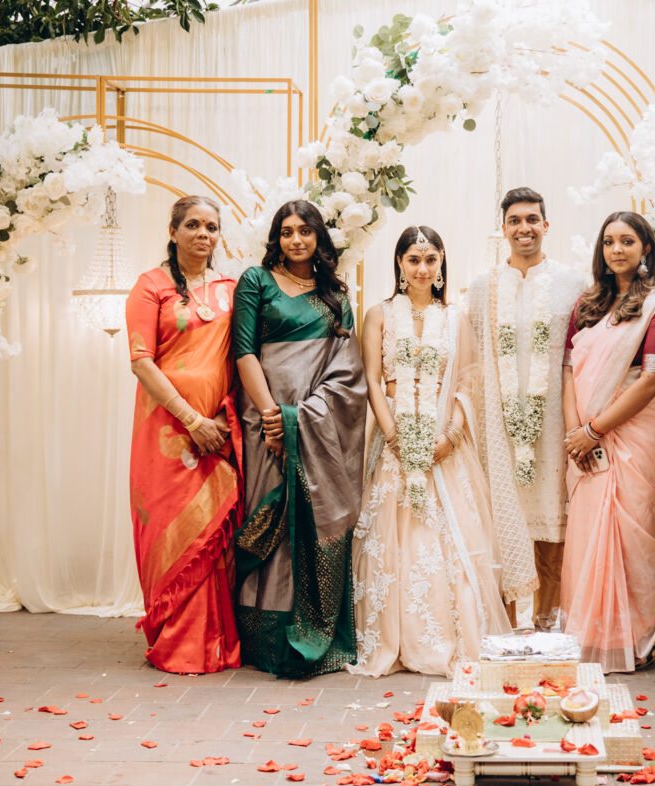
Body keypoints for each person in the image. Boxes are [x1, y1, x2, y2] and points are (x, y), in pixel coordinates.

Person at [350, 226, 512, 677]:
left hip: (443, 443)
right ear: (399, 264)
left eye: (430, 259)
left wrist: (450, 436)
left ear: (441, 264)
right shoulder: (379, 314)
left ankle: (449, 636)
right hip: (394, 440)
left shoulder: (455, 318)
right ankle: (397, 639)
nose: (422, 268)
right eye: (413, 260)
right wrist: (395, 438)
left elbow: (467, 382)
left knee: (448, 538)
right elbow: (372, 381)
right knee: (395, 537)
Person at [231, 200, 367, 678]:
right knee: (269, 515)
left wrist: (300, 420)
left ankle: (313, 626)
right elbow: (244, 352)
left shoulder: (335, 295)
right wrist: (274, 418)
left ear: (319, 238)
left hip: (317, 426)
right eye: (287, 231)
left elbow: (348, 373)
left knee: (314, 515)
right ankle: (264, 637)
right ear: (276, 238)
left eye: (305, 231)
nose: (296, 240)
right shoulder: (257, 281)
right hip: (264, 421)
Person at [560, 212, 655, 673]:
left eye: (627, 241)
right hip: (584, 435)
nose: (617, 249)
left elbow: (652, 380)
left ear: (646, 248)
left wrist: (594, 430)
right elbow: (569, 371)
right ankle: (591, 634)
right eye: (609, 241)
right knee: (588, 531)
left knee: (632, 531)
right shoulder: (588, 303)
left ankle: (632, 638)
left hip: (636, 431)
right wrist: (576, 434)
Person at [126, 195, 242, 674]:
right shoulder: (150, 286)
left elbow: (243, 357)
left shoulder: (232, 289)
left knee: (211, 534)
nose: (203, 234)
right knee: (172, 531)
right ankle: (176, 641)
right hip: (167, 434)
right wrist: (191, 420)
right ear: (172, 231)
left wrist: (222, 418)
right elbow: (141, 362)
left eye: (211, 226)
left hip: (219, 428)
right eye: (192, 225)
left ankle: (215, 642)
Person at [465, 187, 588, 626]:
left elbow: (582, 354)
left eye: (532, 219)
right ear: (503, 229)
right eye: (515, 220)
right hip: (497, 424)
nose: (524, 228)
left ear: (546, 225)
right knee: (501, 522)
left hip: (553, 421)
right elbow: (471, 358)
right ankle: (503, 627)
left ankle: (546, 622)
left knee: (553, 525)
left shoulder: (574, 284)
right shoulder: (481, 288)